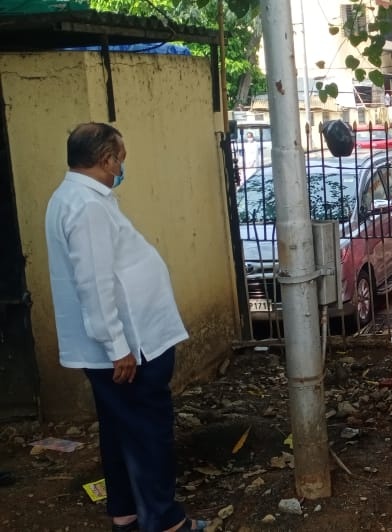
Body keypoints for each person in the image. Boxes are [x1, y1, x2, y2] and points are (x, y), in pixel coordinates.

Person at [45, 123, 206, 532]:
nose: (122, 166)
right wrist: (117, 345)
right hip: (129, 347)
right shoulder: (86, 206)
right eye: (121, 159)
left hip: (121, 344)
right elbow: (94, 284)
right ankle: (164, 521)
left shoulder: (75, 198)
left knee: (120, 430)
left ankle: (126, 511)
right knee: (147, 433)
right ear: (106, 159)